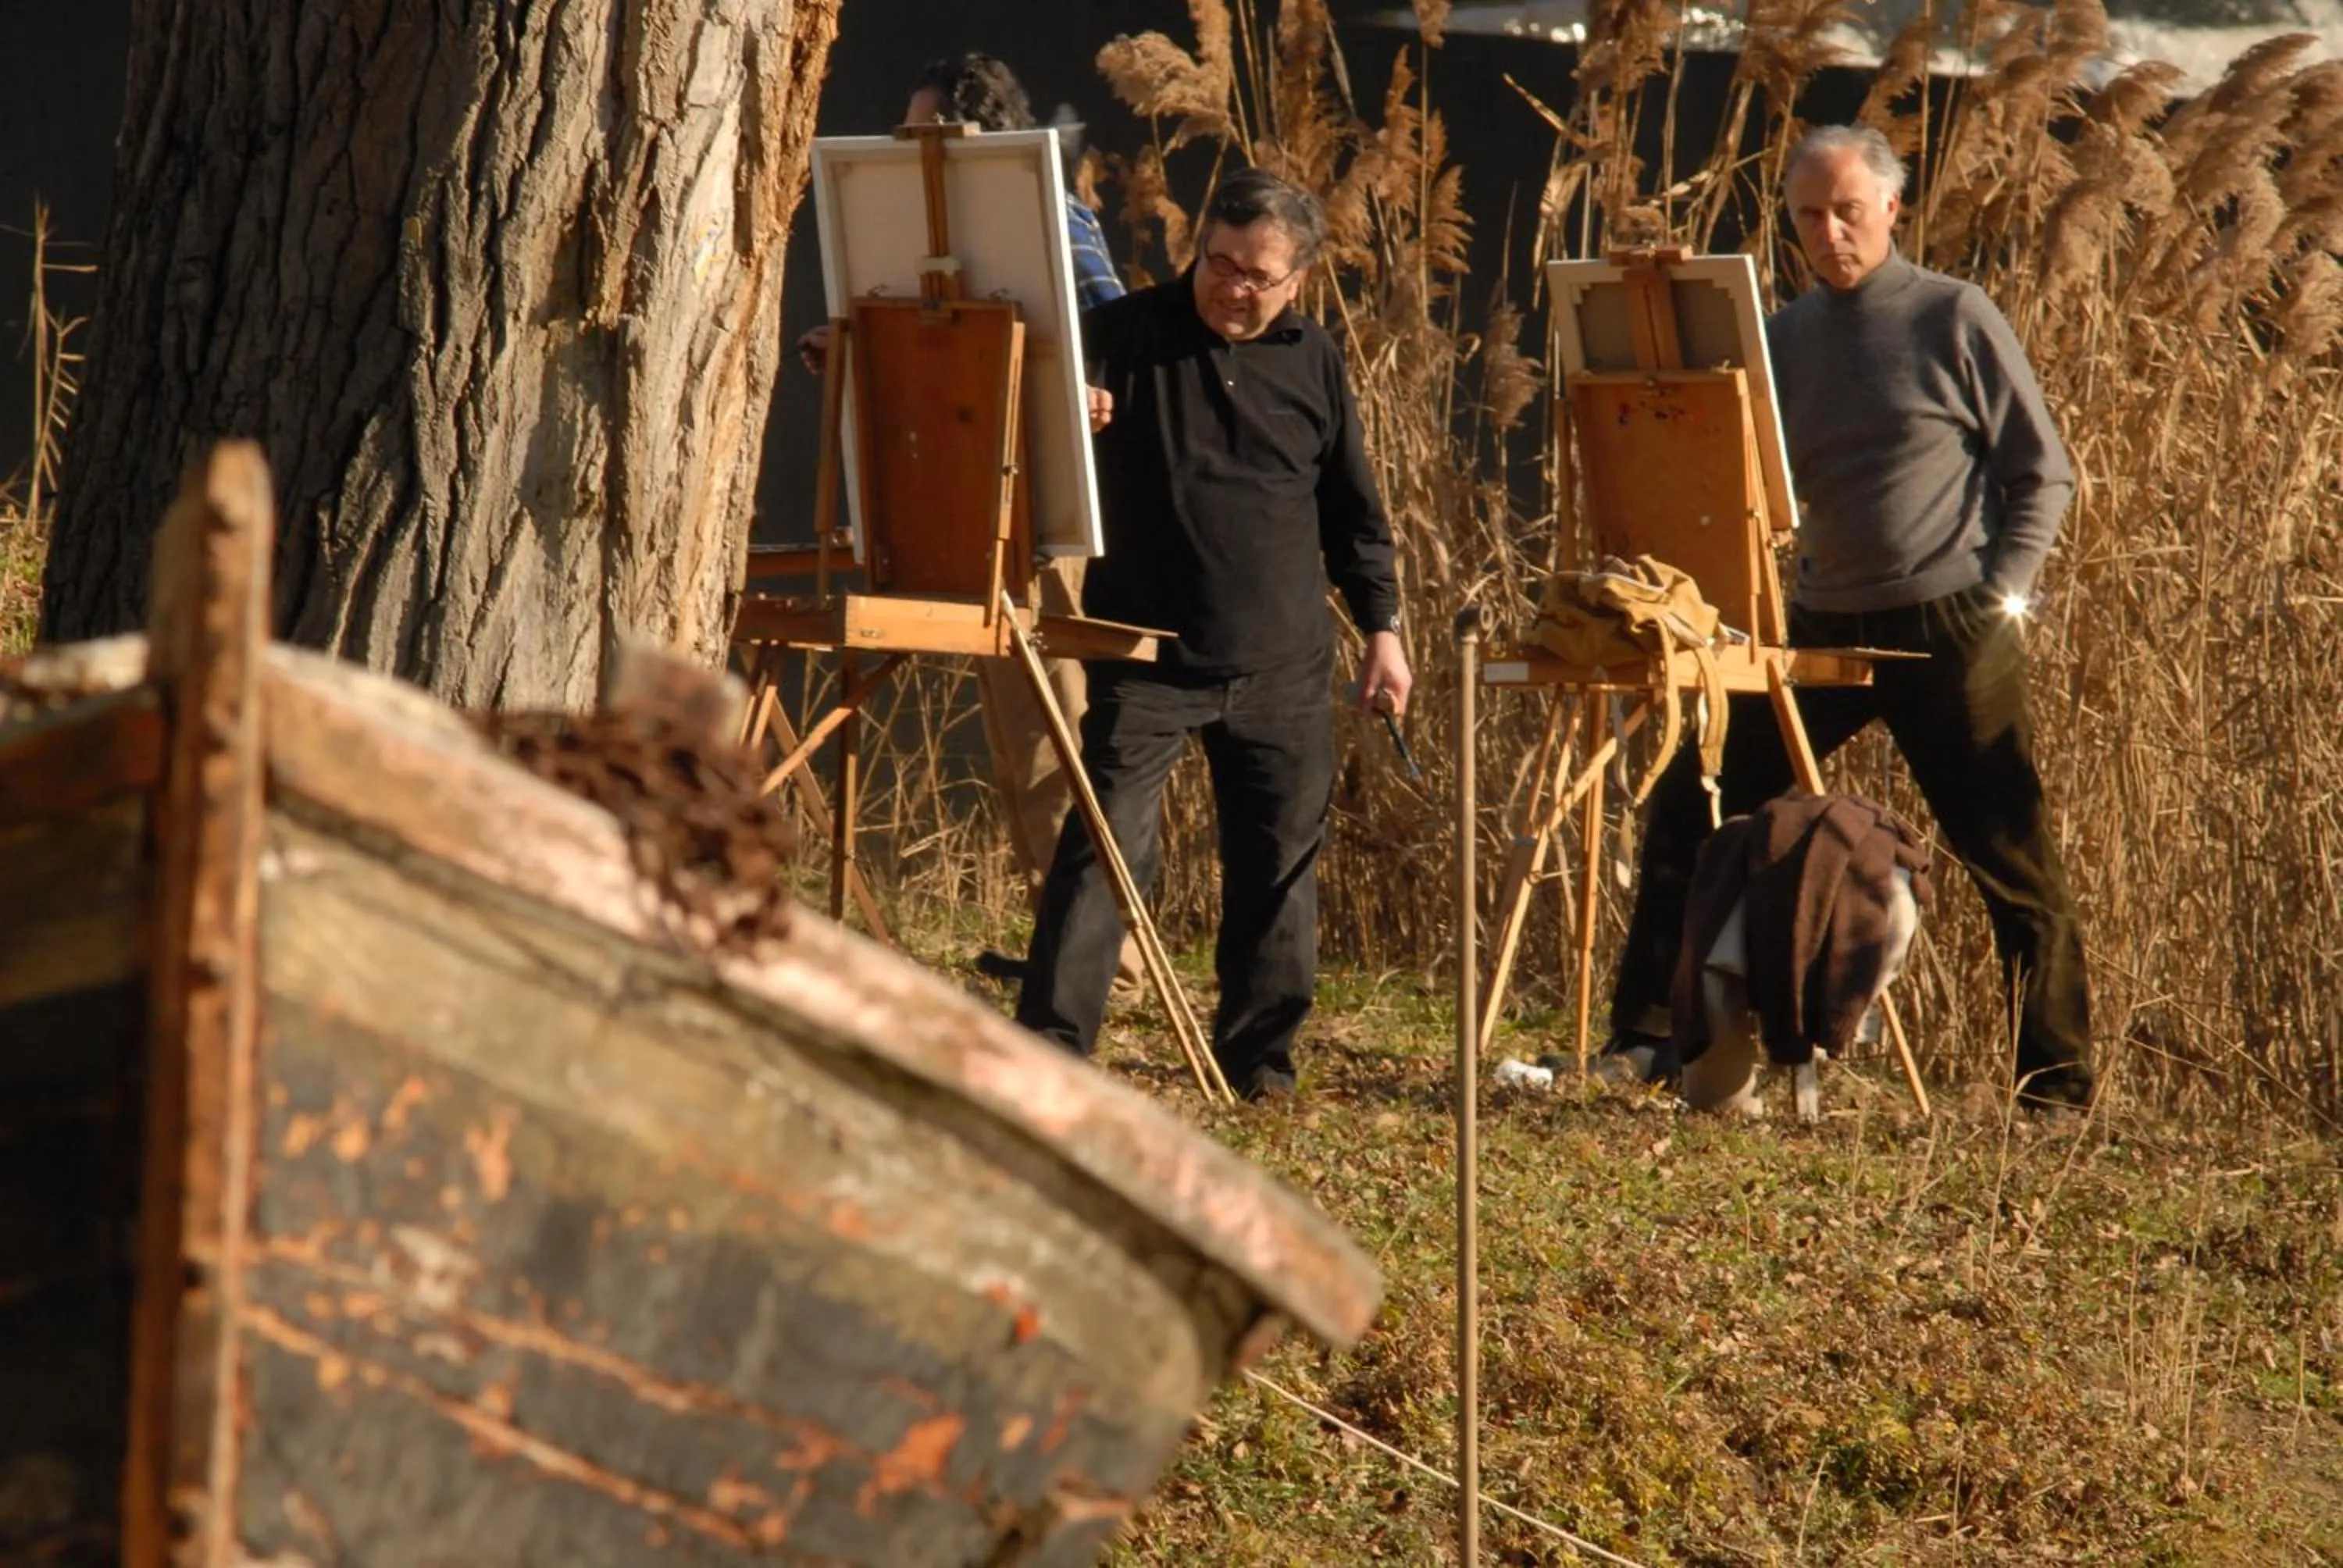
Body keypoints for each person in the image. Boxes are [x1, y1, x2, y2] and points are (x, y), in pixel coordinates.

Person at [1601, 123, 2095, 1110]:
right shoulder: (1779, 339)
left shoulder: (1955, 315)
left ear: (1893, 211)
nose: (1829, 233)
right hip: (1820, 626)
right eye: (1808, 217)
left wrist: (2004, 597)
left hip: (1950, 622)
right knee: (1696, 809)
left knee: (2010, 854)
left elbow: (2044, 473)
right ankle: (1649, 1039)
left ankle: (2056, 1088)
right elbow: (1733, 480)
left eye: (1847, 212)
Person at [1014, 168, 1413, 1103]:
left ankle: (1259, 1061)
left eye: (1256, 274)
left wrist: (1384, 629)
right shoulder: (1120, 335)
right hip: (1145, 652)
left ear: (1300, 281)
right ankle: (1051, 1052)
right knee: (1105, 850)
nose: (1232, 286)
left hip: (1282, 661)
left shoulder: (1314, 359)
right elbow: (1027, 428)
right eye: (1218, 262)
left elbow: (1354, 512)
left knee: (1278, 865)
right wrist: (1072, 419)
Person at [794, 53, 1137, 988]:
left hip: (1040, 495)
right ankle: (1060, 945)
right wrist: (848, 344)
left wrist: (1093, 393)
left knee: (1050, 730)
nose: (910, 148)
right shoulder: (899, 217)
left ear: (970, 134)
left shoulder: (1052, 214)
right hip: (951, 483)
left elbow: (1117, 335)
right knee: (1014, 736)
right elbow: (912, 325)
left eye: (924, 131)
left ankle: (1103, 957)